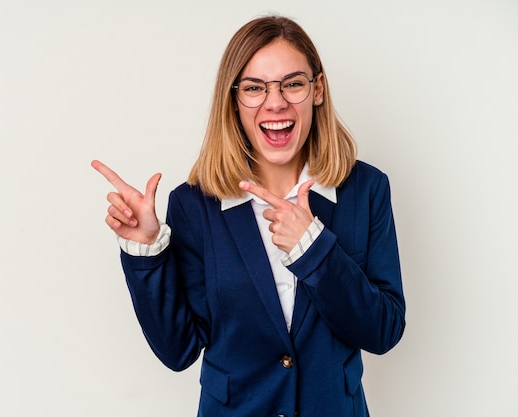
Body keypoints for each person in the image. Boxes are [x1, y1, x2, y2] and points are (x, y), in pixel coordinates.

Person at [92, 15, 405, 417]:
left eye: (292, 84)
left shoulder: (366, 189)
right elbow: (179, 350)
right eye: (255, 88)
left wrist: (315, 251)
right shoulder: (193, 205)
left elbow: (383, 331)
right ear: (234, 99)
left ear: (318, 90)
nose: (275, 102)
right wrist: (146, 252)